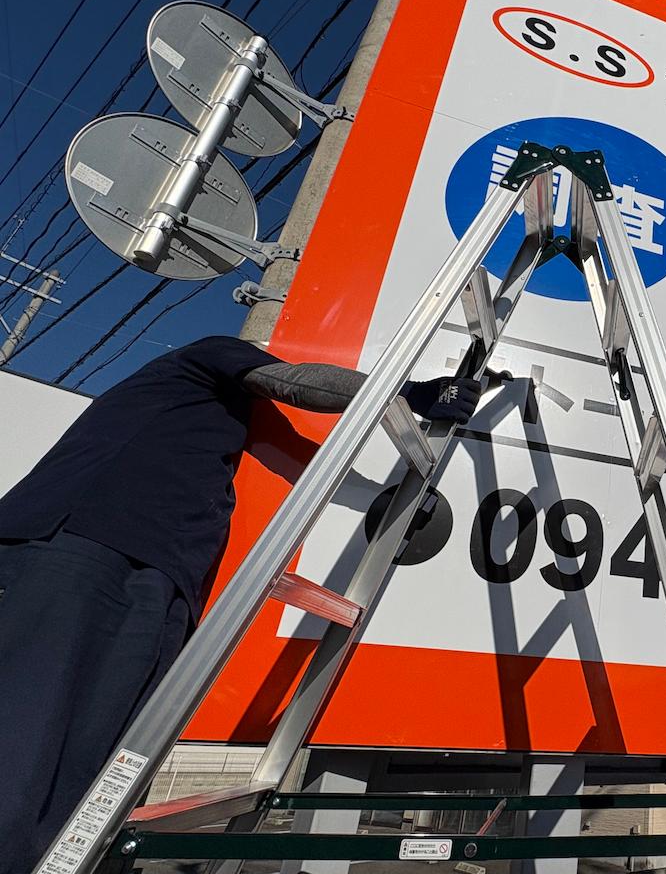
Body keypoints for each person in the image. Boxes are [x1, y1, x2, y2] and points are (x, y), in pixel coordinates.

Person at [0, 335, 482, 874]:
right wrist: (412, 394)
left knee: (91, 791)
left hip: (158, 585)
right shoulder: (203, 356)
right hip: (84, 546)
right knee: (19, 762)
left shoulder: (214, 435)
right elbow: (293, 382)